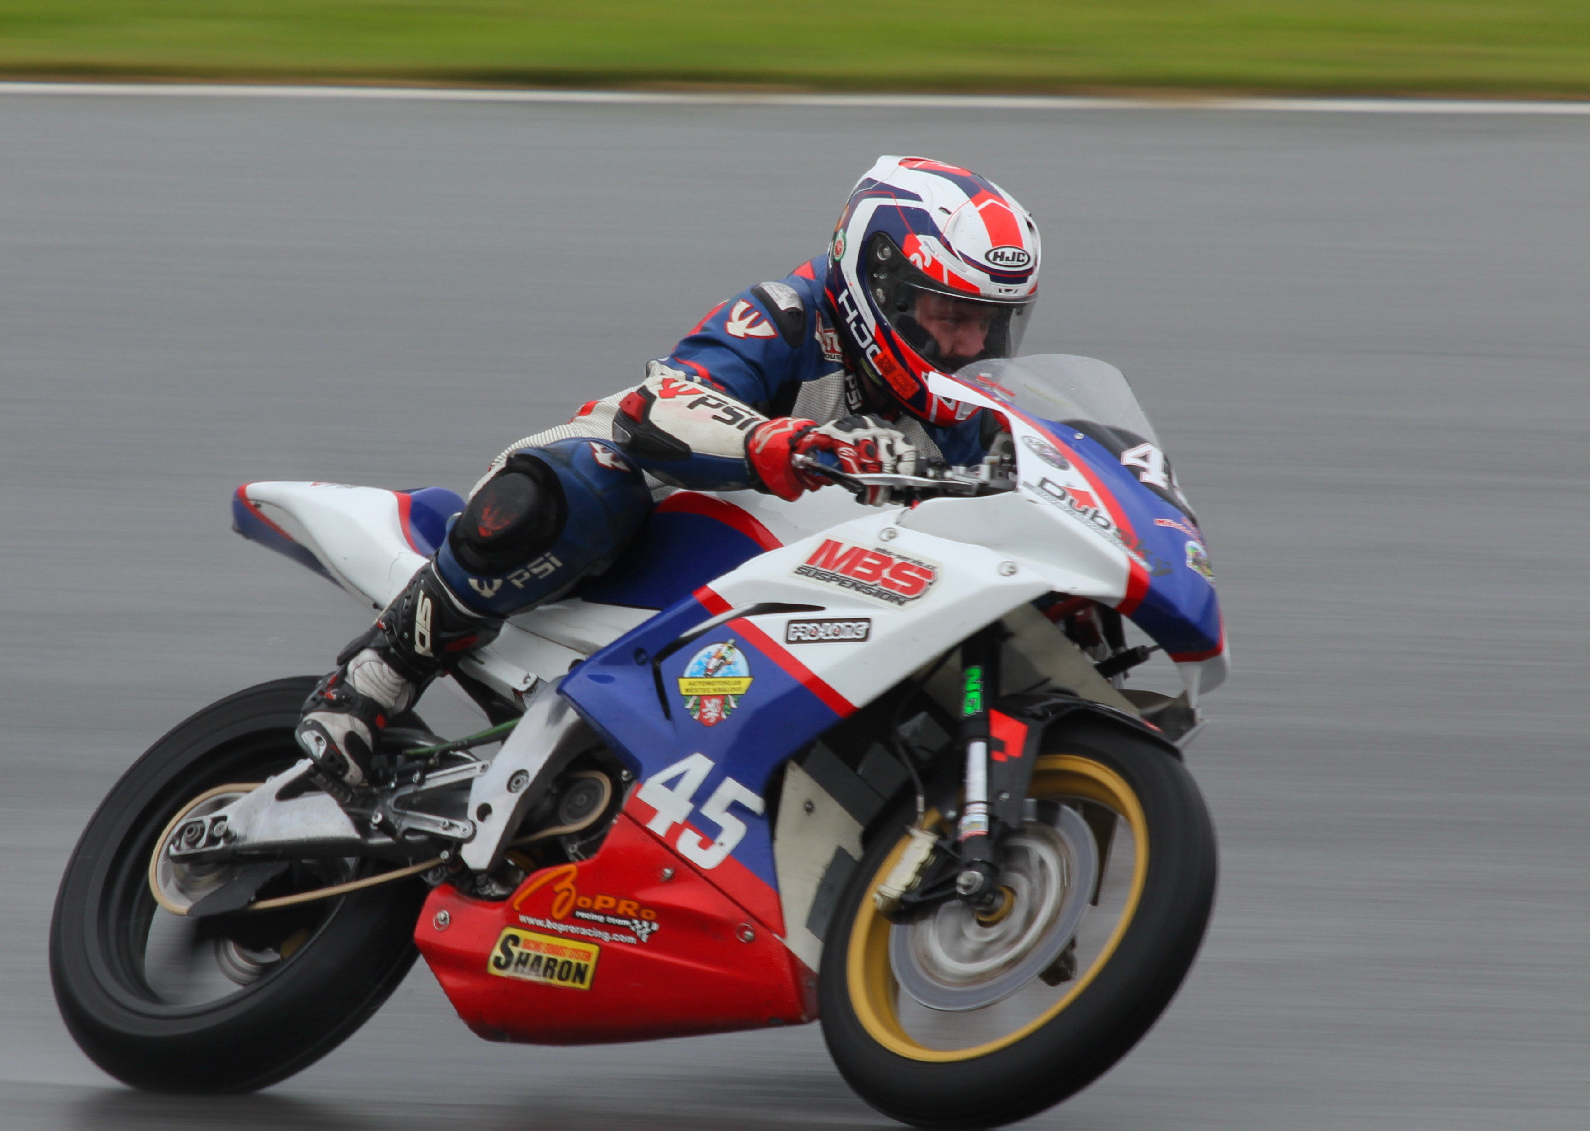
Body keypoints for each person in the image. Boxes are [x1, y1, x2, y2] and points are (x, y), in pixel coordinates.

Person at [295, 155, 1044, 789]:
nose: (970, 346)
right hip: (640, 509)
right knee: (585, 485)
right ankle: (379, 672)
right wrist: (781, 444)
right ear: (881, 286)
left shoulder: (962, 403)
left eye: (989, 322)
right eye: (951, 316)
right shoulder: (787, 316)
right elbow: (662, 405)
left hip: (799, 584)